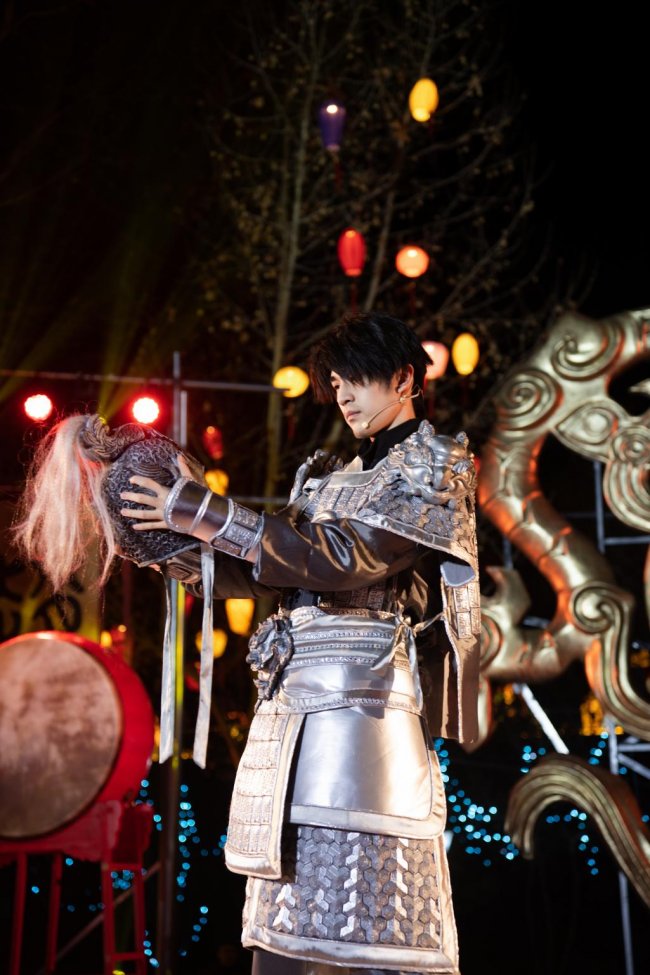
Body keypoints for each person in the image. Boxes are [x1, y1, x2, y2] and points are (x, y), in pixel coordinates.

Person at [13, 312, 480, 975]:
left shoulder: (434, 466)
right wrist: (165, 537)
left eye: (356, 380)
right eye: (336, 384)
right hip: (290, 714)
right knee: (279, 928)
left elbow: (343, 557)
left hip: (364, 711)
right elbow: (267, 568)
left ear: (404, 379)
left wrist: (205, 511)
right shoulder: (327, 476)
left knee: (370, 923)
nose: (344, 396)